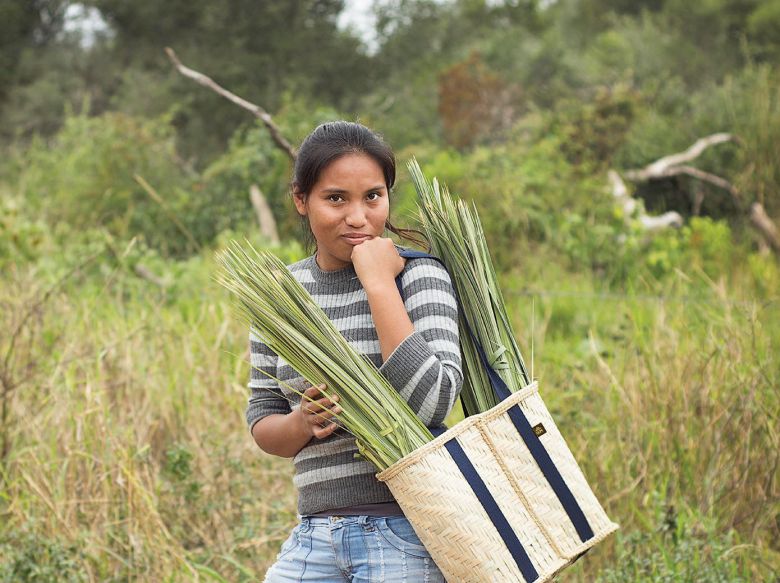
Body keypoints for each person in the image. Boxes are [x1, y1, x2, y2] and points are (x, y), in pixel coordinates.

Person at [246, 120, 462, 582]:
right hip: (314, 535)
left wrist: (379, 282)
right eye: (336, 198)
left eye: (373, 196)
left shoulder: (420, 277)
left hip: (406, 533)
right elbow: (262, 421)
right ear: (301, 200)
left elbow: (432, 403)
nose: (358, 217)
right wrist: (301, 422)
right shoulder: (282, 296)